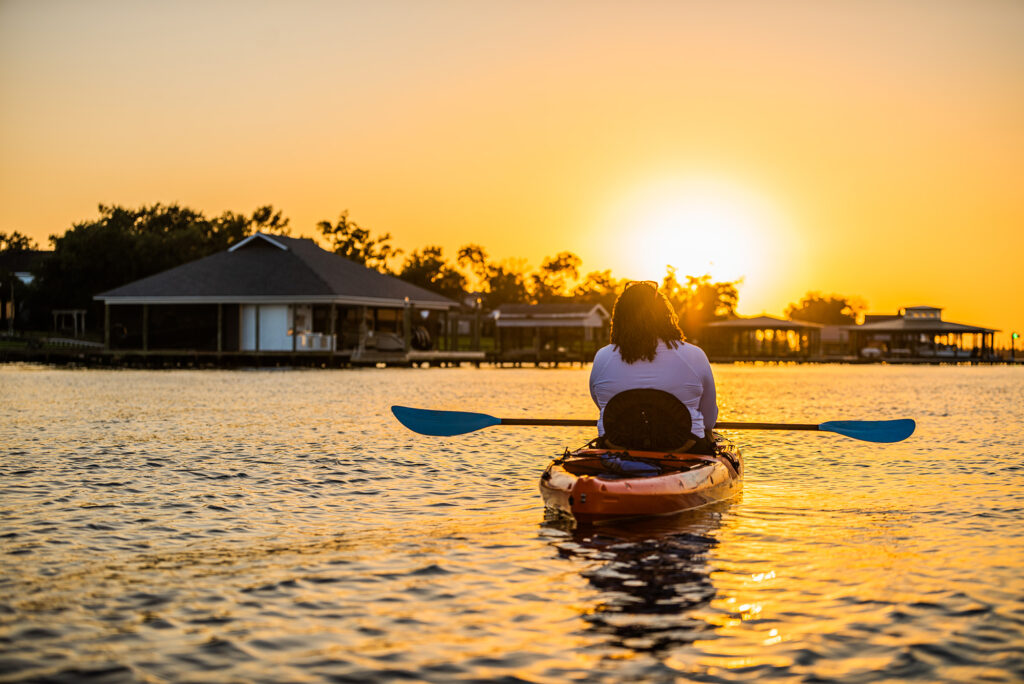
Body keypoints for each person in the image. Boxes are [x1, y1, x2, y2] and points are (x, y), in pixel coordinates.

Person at [589, 280, 718, 453]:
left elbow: (606, 408)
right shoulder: (695, 355)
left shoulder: (602, 357)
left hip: (617, 446)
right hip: (685, 448)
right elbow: (708, 422)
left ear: (619, 318)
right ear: (665, 315)